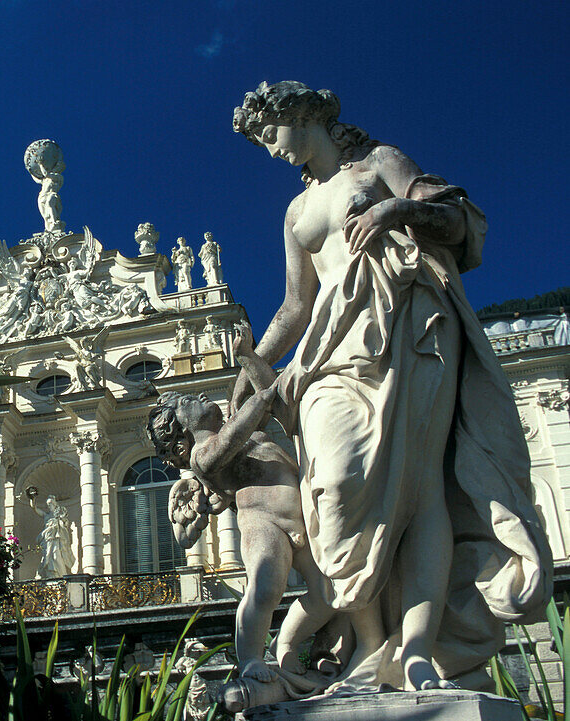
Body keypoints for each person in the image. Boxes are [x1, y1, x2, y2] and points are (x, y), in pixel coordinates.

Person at [230, 81, 551, 692]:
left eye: (268, 134)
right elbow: (296, 305)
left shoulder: (381, 163)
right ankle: (369, 643)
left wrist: (395, 210)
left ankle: (418, 650)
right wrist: (254, 357)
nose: (269, 150)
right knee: (333, 486)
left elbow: (458, 219)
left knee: (421, 484)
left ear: (298, 114)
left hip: (406, 324)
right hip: (327, 350)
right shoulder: (296, 213)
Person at [147, 324, 329, 684]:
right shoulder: (203, 456)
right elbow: (259, 404)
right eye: (186, 403)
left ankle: (287, 646)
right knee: (264, 589)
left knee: (328, 592)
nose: (197, 397)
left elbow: (268, 394)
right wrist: (261, 377)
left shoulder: (232, 420)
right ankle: (249, 658)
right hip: (264, 523)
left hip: (303, 518)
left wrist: (248, 357)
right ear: (181, 439)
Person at [24, 488, 75, 579]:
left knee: (56, 556)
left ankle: (59, 576)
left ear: (55, 505)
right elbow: (35, 508)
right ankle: (49, 576)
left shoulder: (59, 516)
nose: (49, 506)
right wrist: (33, 499)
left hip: (56, 540)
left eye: (51, 504)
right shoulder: (46, 515)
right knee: (47, 557)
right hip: (47, 540)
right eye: (48, 504)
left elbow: (65, 526)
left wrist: (61, 521)